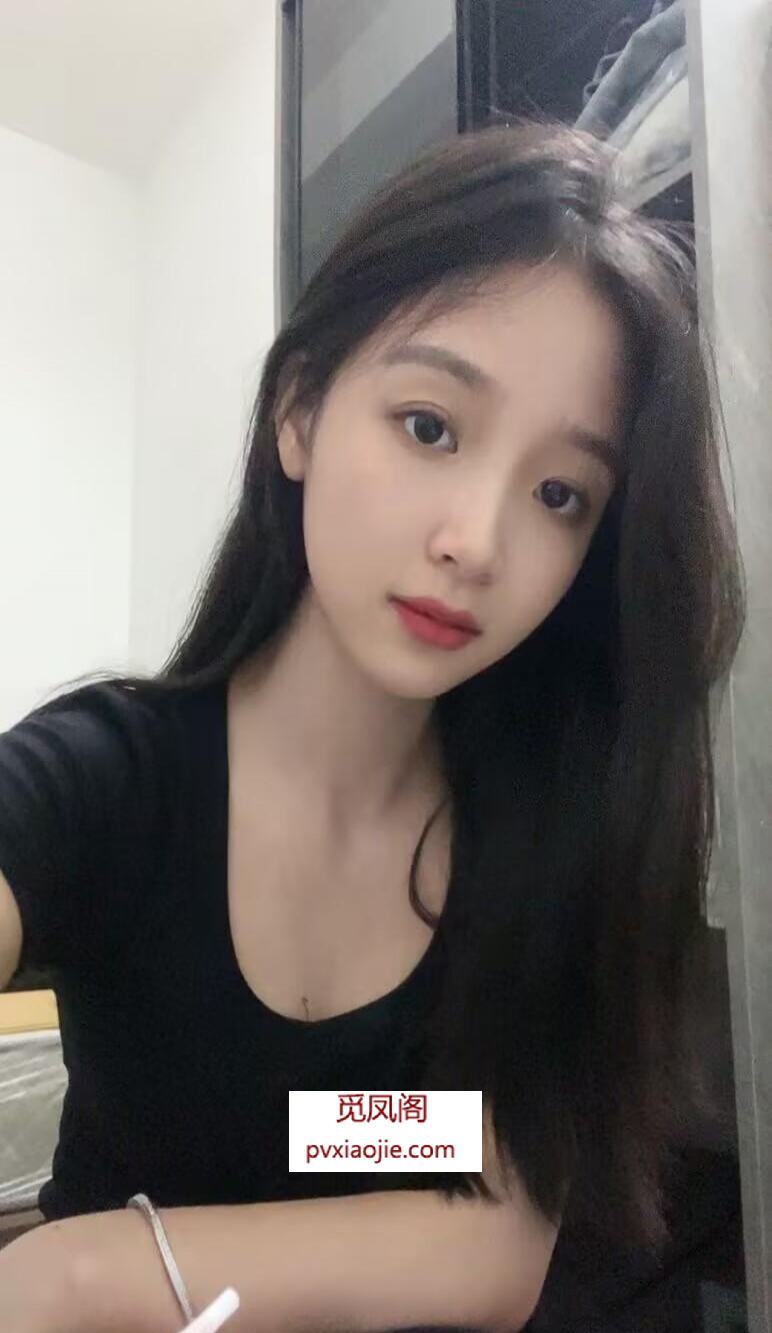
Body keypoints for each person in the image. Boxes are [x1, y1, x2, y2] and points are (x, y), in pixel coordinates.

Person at [0, 120, 743, 1333]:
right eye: (430, 426)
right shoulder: (107, 778)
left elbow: (488, 1234)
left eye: (559, 493)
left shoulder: (537, 827)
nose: (477, 541)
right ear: (299, 408)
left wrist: (75, 1271)